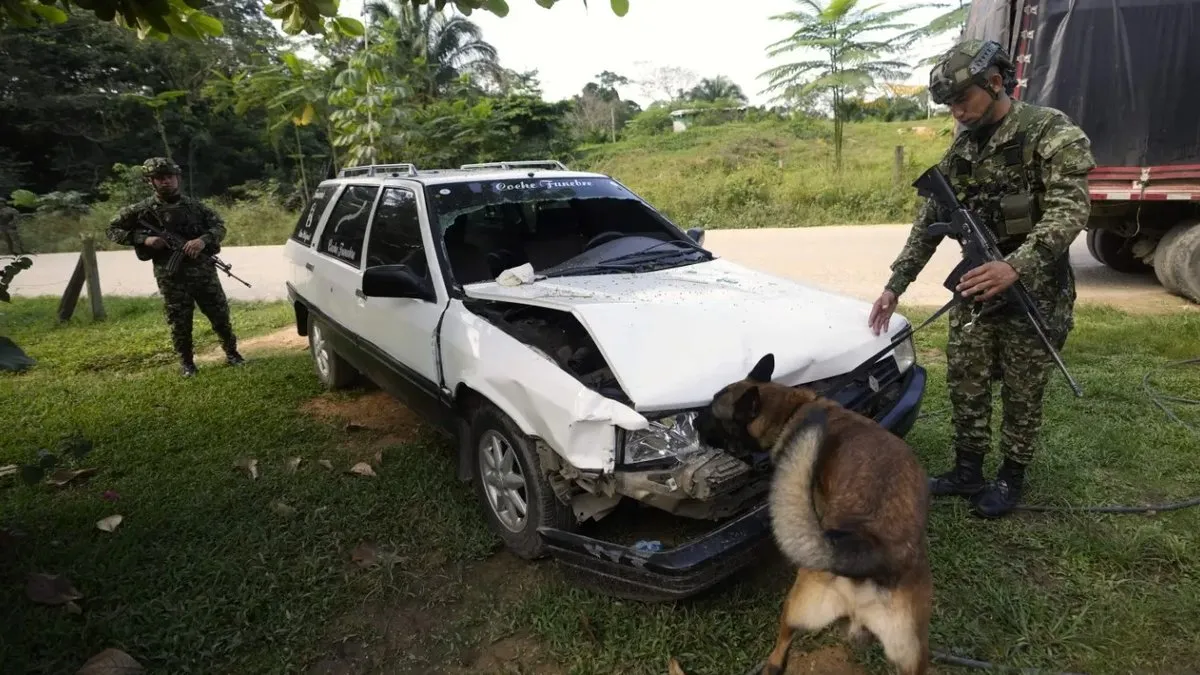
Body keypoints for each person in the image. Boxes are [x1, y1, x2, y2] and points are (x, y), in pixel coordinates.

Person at [867, 39, 1095, 518]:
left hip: (1034, 289)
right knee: (966, 380)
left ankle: (1011, 476)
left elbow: (1070, 210)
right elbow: (929, 221)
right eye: (949, 105)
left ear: (994, 83)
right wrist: (896, 285)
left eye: (961, 100)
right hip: (976, 290)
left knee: (1022, 388)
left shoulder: (1049, 132)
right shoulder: (963, 148)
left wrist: (1016, 265)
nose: (957, 112)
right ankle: (968, 470)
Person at [106, 157, 244, 377]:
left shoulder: (194, 207)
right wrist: (143, 239)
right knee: (179, 320)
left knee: (219, 314)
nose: (165, 182)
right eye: (159, 178)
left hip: (203, 272)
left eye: (169, 177)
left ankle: (232, 353)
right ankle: (187, 363)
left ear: (177, 178)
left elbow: (219, 227)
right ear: (149, 182)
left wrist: (203, 240)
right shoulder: (141, 210)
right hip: (171, 276)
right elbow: (112, 229)